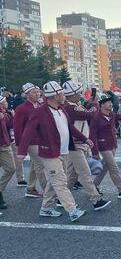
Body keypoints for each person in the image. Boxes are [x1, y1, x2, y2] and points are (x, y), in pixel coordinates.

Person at [17, 81, 93, 222]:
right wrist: (21, 152)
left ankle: (46, 208)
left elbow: (69, 128)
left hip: (63, 151)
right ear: (56, 96)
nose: (65, 95)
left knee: (53, 182)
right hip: (49, 152)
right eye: (62, 93)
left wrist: (84, 139)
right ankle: (72, 210)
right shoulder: (40, 112)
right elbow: (28, 131)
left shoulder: (61, 109)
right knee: (60, 181)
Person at [61, 81, 110, 211]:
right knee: (85, 173)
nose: (80, 94)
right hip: (76, 145)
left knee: (72, 175)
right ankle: (96, 200)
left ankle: (59, 198)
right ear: (72, 94)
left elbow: (86, 112)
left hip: (78, 144)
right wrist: (94, 103)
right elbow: (91, 113)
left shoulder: (73, 105)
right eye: (78, 92)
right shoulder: (70, 107)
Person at [90, 93, 121, 199]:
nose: (110, 104)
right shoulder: (96, 118)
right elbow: (92, 136)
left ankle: (93, 187)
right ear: (101, 105)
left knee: (105, 168)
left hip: (113, 145)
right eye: (108, 102)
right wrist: (95, 152)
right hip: (103, 146)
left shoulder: (112, 115)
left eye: (110, 102)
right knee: (114, 168)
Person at [13, 83, 47, 198]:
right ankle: (49, 192)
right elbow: (17, 128)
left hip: (42, 139)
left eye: (38, 91)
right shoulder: (21, 109)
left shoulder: (41, 105)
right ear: (27, 94)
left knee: (34, 165)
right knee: (40, 165)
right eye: (34, 92)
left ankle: (31, 188)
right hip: (31, 141)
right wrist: (20, 147)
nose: (37, 94)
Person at [0, 95, 16, 210]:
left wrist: (13, 117)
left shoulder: (5, 114)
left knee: (11, 169)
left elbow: (10, 126)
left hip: (5, 146)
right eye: (4, 101)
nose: (6, 103)